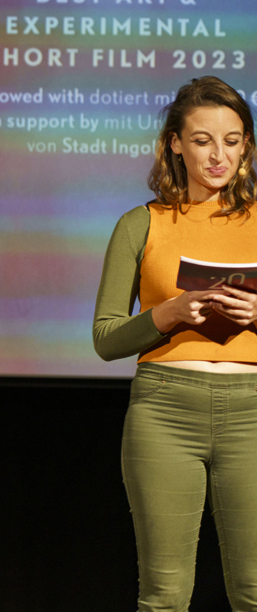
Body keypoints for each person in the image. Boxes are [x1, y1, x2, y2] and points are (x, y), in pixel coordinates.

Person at [94, 76, 257, 611]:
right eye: (202, 140)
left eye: (231, 141)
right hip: (165, 410)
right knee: (164, 595)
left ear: (246, 147)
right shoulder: (141, 224)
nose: (218, 156)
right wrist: (166, 314)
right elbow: (105, 338)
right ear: (175, 144)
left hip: (252, 412)